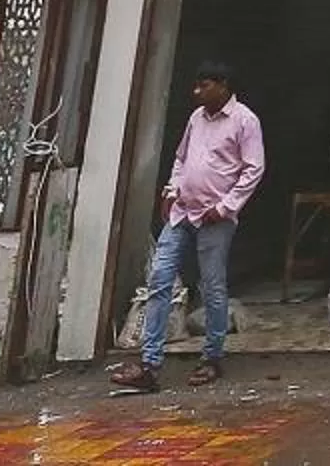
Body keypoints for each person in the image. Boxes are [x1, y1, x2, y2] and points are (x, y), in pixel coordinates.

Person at [110, 63, 265, 394]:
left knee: (212, 286)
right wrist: (171, 189)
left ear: (223, 85)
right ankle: (149, 364)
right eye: (196, 86)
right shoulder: (196, 118)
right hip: (182, 213)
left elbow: (253, 169)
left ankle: (212, 358)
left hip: (215, 218)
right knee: (159, 280)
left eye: (204, 85)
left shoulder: (244, 120)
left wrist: (225, 207)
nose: (197, 92)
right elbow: (181, 159)